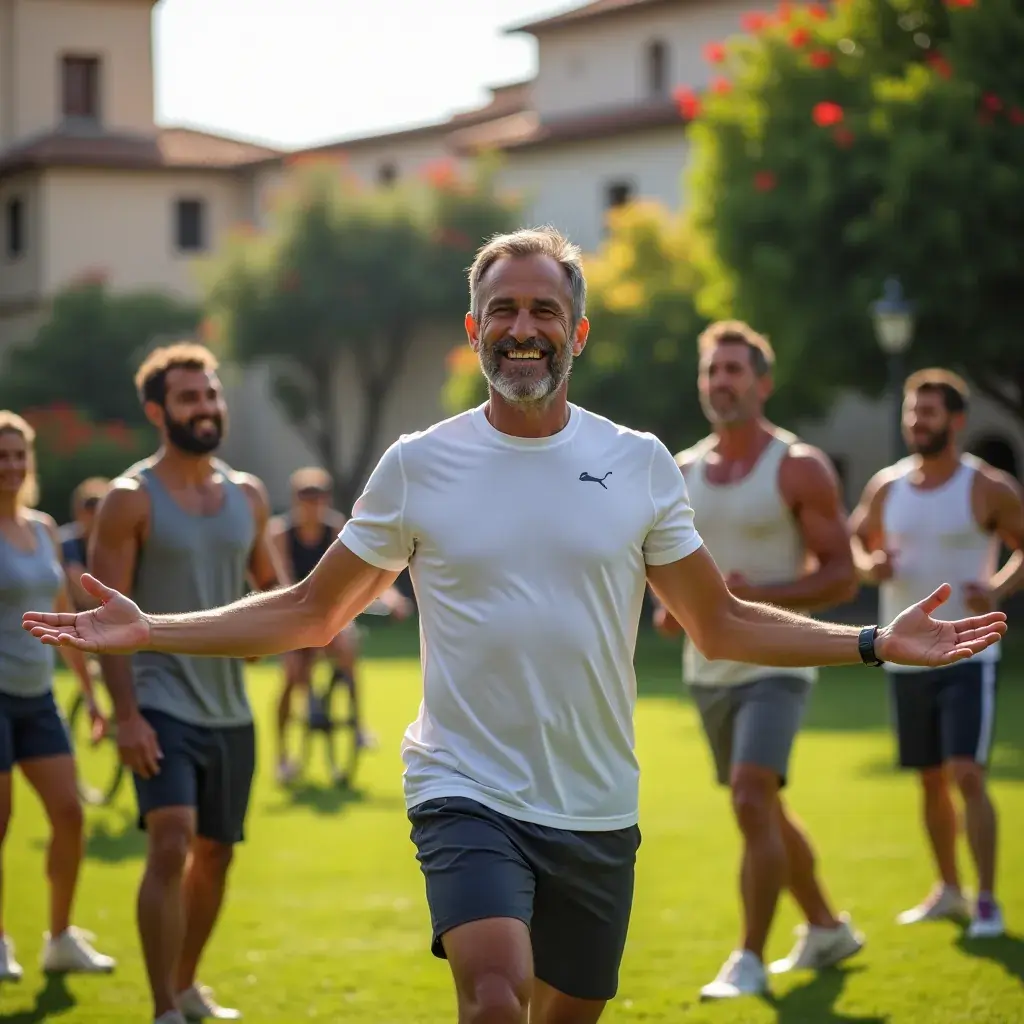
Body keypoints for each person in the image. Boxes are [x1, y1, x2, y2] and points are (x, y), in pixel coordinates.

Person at [23, 228, 1006, 1024]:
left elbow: (719, 622)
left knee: (566, 1007)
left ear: (577, 333)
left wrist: (873, 642)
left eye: (544, 310)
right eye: (502, 310)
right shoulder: (418, 464)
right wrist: (150, 628)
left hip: (594, 800)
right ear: (474, 329)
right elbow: (310, 609)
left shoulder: (639, 462)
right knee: (494, 996)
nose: (522, 328)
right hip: (464, 787)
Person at [654, 320, 864, 999]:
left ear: (762, 384)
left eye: (734, 370)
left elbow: (842, 577)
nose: (721, 382)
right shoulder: (679, 471)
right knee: (761, 805)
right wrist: (674, 607)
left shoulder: (798, 465)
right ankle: (826, 926)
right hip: (707, 668)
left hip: (779, 662)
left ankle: (748, 958)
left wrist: (755, 597)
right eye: (711, 371)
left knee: (750, 795)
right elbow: (668, 572)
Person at [75, 343, 283, 1024]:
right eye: (190, 398)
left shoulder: (248, 495)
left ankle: (188, 984)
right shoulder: (129, 500)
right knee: (171, 841)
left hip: (229, 708)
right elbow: (103, 619)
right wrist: (126, 715)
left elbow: (271, 585)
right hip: (159, 698)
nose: (207, 408)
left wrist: (271, 631)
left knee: (216, 855)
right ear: (157, 412)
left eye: (212, 395)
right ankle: (163, 1007)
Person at [850, 368, 1022, 940]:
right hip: (905, 656)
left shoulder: (988, 487)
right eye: (911, 412)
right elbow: (854, 540)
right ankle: (949, 890)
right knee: (929, 779)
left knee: (966, 773)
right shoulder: (887, 486)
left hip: (970, 653)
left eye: (927, 412)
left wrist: (997, 586)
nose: (916, 422)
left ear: (956, 420)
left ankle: (988, 901)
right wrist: (869, 566)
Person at [0, 412, 114, 982]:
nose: (11, 465)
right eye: (2, 456)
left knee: (69, 814)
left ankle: (60, 938)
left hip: (38, 695)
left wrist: (90, 695)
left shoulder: (44, 528)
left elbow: (63, 618)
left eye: (19, 454)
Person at [268, 466, 411, 784]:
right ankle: (282, 756)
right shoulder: (280, 533)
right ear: (295, 500)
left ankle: (358, 726)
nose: (313, 504)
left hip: (329, 615)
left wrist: (391, 600)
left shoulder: (336, 529)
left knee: (347, 649)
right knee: (292, 675)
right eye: (306, 497)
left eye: (319, 497)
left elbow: (365, 569)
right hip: (294, 615)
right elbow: (281, 580)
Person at [59, 477, 110, 610]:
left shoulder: (123, 546)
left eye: (101, 504)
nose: (95, 512)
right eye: (89, 505)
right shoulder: (63, 545)